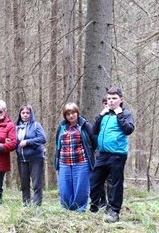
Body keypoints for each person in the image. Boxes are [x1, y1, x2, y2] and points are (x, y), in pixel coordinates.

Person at [89, 87, 135, 223]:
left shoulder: (125, 114)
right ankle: (95, 206)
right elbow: (94, 130)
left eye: (114, 98)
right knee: (95, 180)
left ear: (120, 99)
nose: (111, 101)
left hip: (117, 154)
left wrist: (119, 114)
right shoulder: (105, 115)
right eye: (109, 98)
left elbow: (128, 129)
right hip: (102, 154)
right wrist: (100, 115)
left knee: (115, 184)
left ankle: (114, 211)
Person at [55, 102, 96, 211]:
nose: (71, 116)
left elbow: (93, 142)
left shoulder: (85, 125)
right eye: (68, 114)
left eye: (73, 113)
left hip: (81, 162)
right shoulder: (62, 127)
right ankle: (67, 208)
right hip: (64, 162)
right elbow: (58, 144)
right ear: (65, 116)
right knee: (64, 188)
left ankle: (79, 209)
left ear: (77, 113)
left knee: (81, 188)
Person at [15, 104, 47, 206]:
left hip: (35, 158)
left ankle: (37, 206)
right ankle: (26, 204)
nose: (25, 115)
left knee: (36, 184)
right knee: (24, 184)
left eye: (27, 113)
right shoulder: (16, 127)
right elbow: (14, 142)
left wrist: (28, 142)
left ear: (31, 114)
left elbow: (43, 139)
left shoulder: (36, 125)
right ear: (20, 114)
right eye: (23, 113)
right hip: (21, 159)